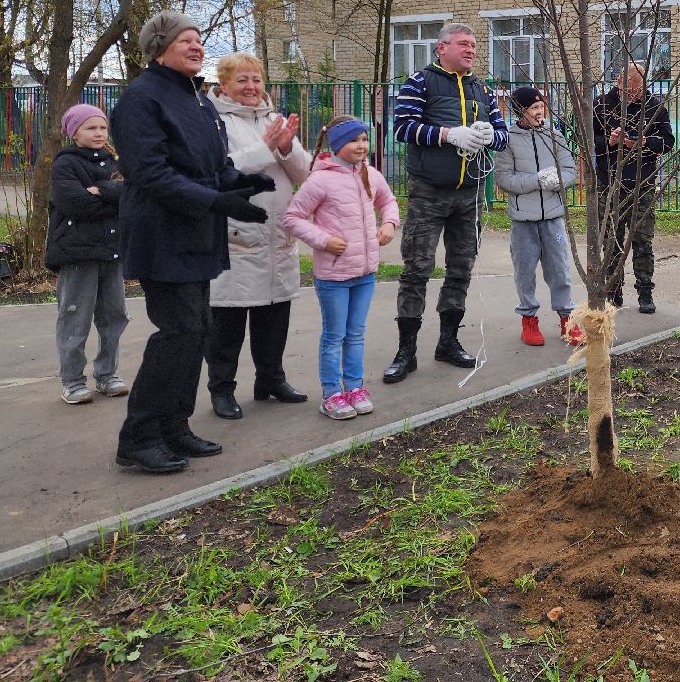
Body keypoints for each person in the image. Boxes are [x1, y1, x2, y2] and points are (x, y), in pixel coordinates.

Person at [112, 11, 273, 474]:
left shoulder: (199, 100)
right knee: (178, 332)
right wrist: (219, 202)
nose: (197, 46)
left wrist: (242, 186)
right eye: (186, 39)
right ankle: (139, 437)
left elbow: (214, 165)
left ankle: (174, 426)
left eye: (199, 39)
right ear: (159, 46)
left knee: (196, 331)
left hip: (197, 232)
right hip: (161, 234)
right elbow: (152, 175)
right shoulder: (141, 99)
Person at [389, 22, 508, 377]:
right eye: (463, 44)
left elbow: (503, 135)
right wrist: (446, 134)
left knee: (461, 269)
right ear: (442, 48)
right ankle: (405, 351)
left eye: (473, 45)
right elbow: (401, 127)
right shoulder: (420, 82)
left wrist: (491, 135)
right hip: (428, 192)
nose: (471, 50)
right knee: (417, 269)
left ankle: (448, 342)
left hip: (469, 195)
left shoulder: (482, 89)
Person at [204, 52, 310, 420]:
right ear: (223, 85)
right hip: (236, 232)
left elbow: (303, 174)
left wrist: (285, 146)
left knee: (275, 311)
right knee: (227, 320)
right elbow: (221, 170)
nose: (251, 87)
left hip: (277, 231)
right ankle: (221, 389)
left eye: (256, 80)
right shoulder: (211, 120)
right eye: (242, 80)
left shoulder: (274, 118)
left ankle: (270, 379)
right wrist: (265, 147)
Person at [284, 116, 399, 420]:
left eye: (364, 139)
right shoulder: (320, 180)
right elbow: (293, 218)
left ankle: (355, 388)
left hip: (365, 273)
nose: (361, 146)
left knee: (356, 333)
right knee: (335, 335)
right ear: (337, 145)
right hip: (334, 276)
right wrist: (323, 240)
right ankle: (332, 394)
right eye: (354, 140)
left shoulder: (371, 175)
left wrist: (389, 223)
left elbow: (389, 202)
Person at [44, 103, 128, 405]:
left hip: (111, 251)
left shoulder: (115, 161)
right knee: (74, 318)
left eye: (103, 127)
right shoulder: (65, 164)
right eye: (91, 127)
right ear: (74, 131)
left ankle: (107, 375)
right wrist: (110, 195)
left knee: (114, 317)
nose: (99, 133)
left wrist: (99, 190)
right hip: (77, 254)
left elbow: (130, 194)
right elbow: (75, 204)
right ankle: (72, 380)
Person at [492, 86, 581, 347]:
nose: (539, 112)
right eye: (534, 108)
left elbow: (570, 170)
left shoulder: (554, 135)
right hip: (523, 220)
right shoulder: (507, 140)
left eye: (541, 107)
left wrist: (557, 180)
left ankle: (568, 319)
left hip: (553, 216)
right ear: (520, 110)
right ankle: (529, 320)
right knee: (525, 271)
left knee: (560, 270)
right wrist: (537, 180)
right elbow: (504, 179)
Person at [593, 64, 676, 313]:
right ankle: (613, 290)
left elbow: (668, 140)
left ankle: (645, 291)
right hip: (610, 184)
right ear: (619, 81)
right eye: (631, 89)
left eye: (639, 89)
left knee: (643, 241)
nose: (636, 94)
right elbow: (586, 140)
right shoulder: (601, 105)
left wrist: (643, 143)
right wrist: (610, 141)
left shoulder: (653, 106)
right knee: (611, 241)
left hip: (642, 184)